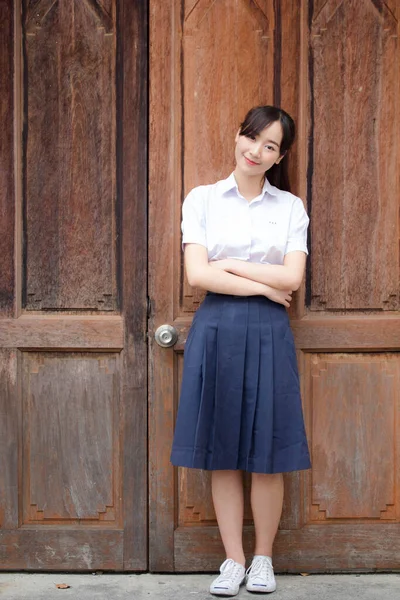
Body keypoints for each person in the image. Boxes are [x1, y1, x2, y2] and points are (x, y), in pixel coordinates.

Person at [170, 105, 311, 596]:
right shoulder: (202, 199)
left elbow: (291, 277)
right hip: (218, 329)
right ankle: (233, 560)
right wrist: (263, 288)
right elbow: (197, 275)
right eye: (252, 138)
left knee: (268, 450)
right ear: (237, 137)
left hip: (271, 332)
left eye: (270, 146)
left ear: (280, 156)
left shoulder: (290, 208)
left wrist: (231, 263)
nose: (256, 151)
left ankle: (264, 558)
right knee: (223, 450)